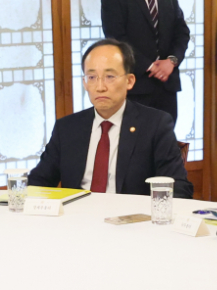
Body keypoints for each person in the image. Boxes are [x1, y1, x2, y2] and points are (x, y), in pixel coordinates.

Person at [28, 39, 192, 198]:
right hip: (77, 220)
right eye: (92, 77)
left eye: (110, 77)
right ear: (85, 83)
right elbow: (38, 182)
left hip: (131, 221)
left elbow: (177, 187)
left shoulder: (155, 125)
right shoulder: (67, 128)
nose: (100, 87)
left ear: (129, 81)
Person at [100, 0, 190, 124]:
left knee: (165, 142)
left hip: (167, 84)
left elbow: (182, 32)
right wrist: (150, 66)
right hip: (136, 84)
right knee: (136, 145)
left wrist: (171, 61)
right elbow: (117, 38)